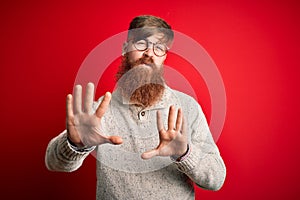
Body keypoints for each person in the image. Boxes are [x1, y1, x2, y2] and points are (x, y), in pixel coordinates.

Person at [45, 15, 226, 199]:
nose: (149, 53)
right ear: (125, 48)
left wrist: (185, 154)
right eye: (141, 43)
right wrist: (76, 145)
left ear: (164, 56)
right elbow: (53, 162)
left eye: (159, 47)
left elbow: (216, 178)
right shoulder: (98, 113)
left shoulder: (187, 107)